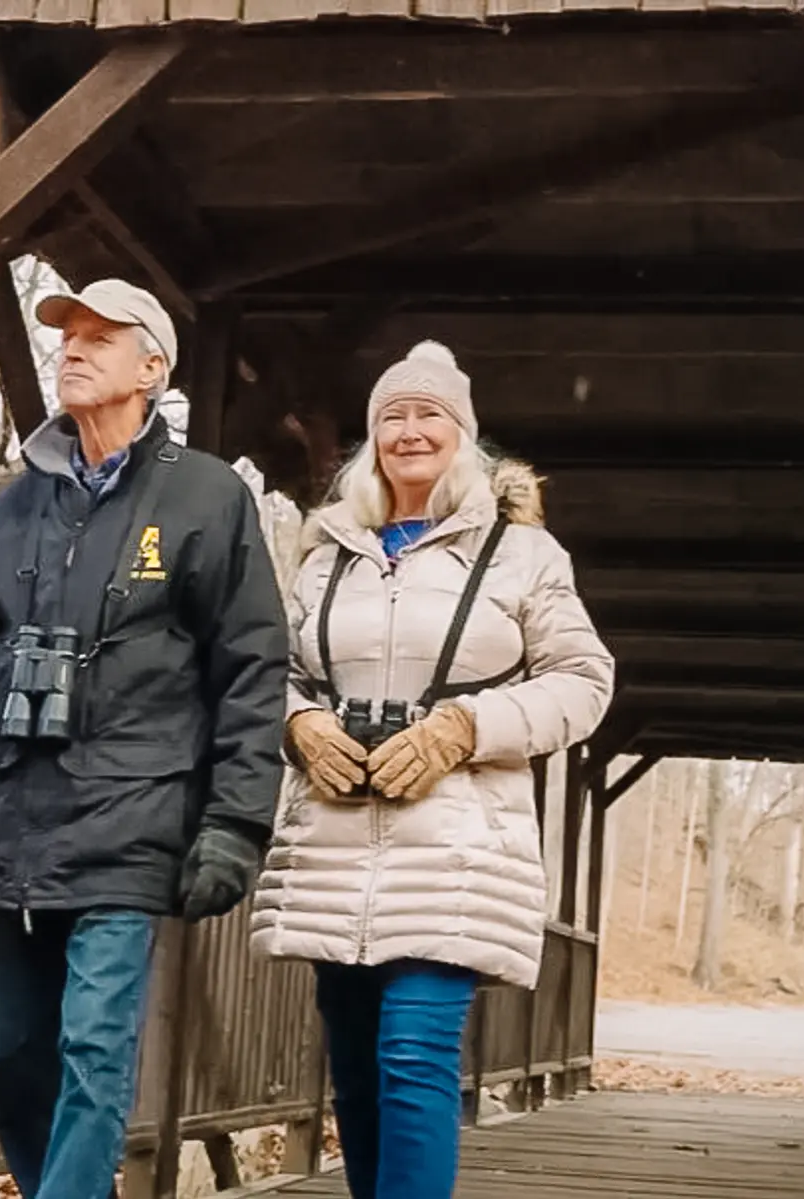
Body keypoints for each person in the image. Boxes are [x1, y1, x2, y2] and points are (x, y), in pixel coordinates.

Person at [0, 278, 289, 1199]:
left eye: (102, 337)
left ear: (154, 368)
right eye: (67, 335)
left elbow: (252, 673)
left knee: (94, 1047)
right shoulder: (11, 511)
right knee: (19, 1065)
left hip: (132, 823)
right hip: (8, 820)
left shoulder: (207, 500)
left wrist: (233, 825)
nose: (73, 348)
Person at [248, 340, 614, 1199]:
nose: (410, 432)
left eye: (429, 415)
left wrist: (464, 725)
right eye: (392, 418)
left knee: (414, 1047)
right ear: (372, 442)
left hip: (456, 841)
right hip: (336, 840)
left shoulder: (524, 555)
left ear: (465, 435)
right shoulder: (326, 552)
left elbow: (584, 681)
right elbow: (273, 669)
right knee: (355, 1063)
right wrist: (297, 723)